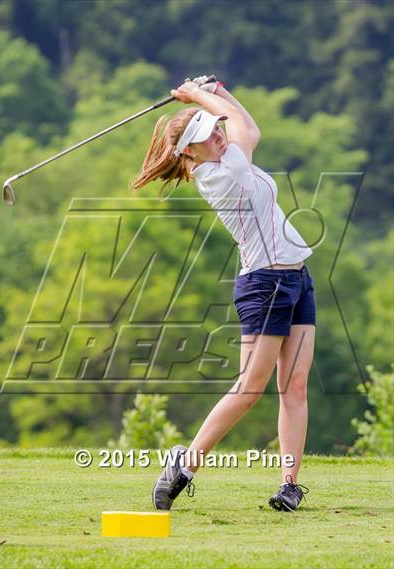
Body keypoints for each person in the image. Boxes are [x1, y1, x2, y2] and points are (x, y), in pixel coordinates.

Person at [131, 76, 315, 512]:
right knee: (251, 388)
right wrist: (197, 96)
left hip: (296, 277)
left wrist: (218, 90)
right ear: (188, 153)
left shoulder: (229, 155)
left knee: (295, 385)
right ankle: (185, 463)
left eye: (212, 127)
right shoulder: (218, 174)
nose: (216, 133)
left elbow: (246, 129)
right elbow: (241, 129)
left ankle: (289, 485)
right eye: (204, 134)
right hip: (265, 284)